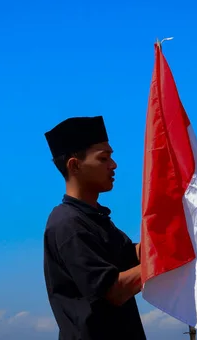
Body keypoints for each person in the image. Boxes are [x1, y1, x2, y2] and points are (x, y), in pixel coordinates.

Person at [43, 116, 146, 340]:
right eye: (103, 158)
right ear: (75, 165)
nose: (113, 164)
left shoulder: (95, 219)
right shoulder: (68, 224)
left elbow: (133, 256)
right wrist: (165, 259)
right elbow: (114, 291)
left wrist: (171, 237)